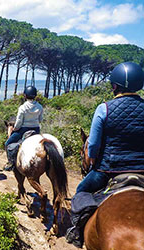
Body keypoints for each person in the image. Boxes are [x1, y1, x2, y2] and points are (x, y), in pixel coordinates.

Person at [66, 61, 144, 248]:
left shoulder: (104, 108)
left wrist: (93, 158)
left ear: (114, 86)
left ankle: (76, 231)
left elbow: (92, 145)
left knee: (82, 192)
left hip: (109, 170)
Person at [4, 86, 43, 171]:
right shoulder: (40, 107)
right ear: (35, 95)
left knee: (7, 143)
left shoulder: (22, 107)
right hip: (36, 130)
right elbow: (40, 120)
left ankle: (10, 162)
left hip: (23, 129)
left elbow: (19, 122)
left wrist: (15, 129)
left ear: (25, 96)